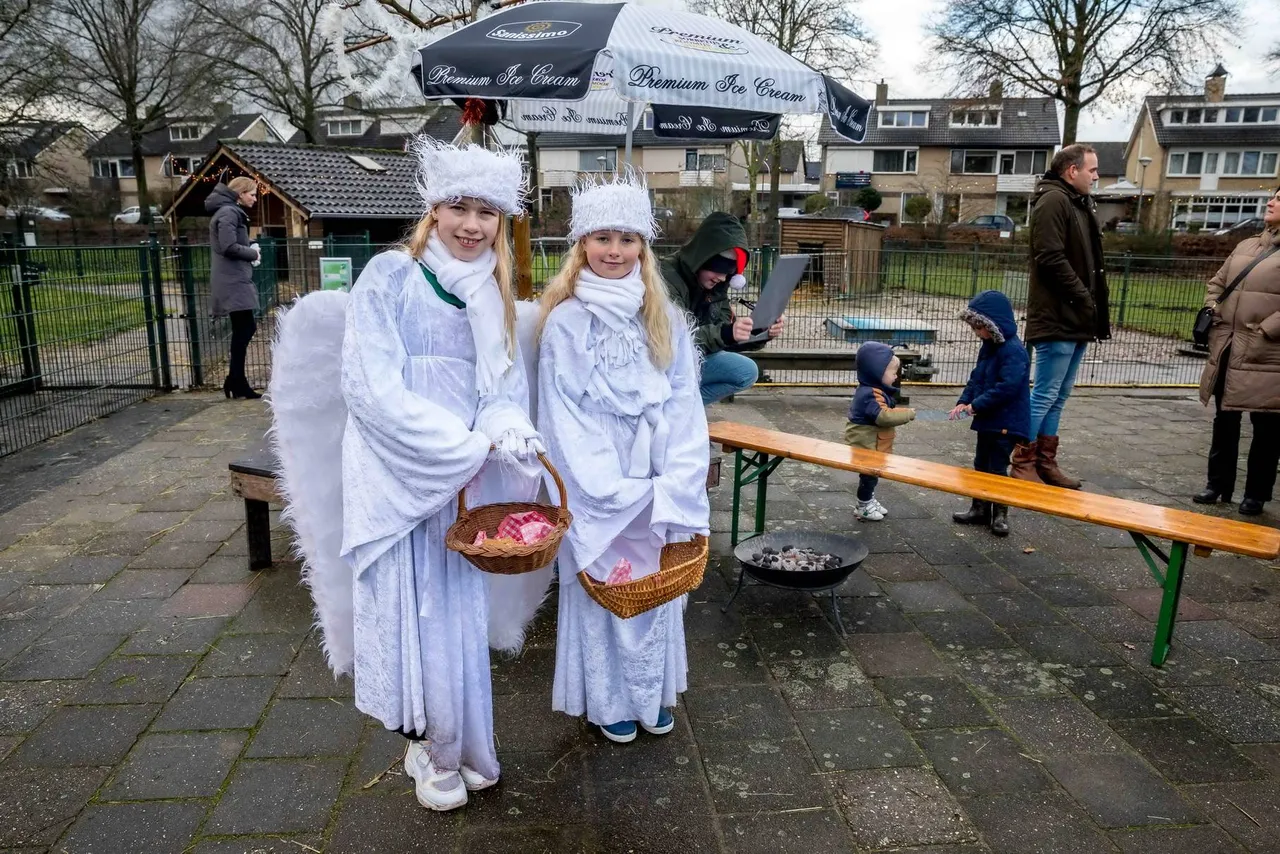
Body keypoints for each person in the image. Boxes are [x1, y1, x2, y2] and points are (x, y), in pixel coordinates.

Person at [322, 139, 544, 812]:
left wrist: (509, 428)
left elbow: (502, 385)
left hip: (463, 483)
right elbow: (371, 388)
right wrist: (459, 446)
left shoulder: (494, 293)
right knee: (414, 611)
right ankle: (427, 741)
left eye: (486, 212)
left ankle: (464, 742)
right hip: (402, 476)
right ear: (433, 210)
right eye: (458, 207)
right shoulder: (390, 277)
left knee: (454, 612)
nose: (471, 225)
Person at [537, 172, 710, 744]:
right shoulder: (566, 321)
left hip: (658, 466)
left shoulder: (664, 317)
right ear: (582, 244)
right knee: (603, 583)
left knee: (656, 585)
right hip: (599, 473)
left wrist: (679, 473)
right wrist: (604, 486)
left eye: (627, 239)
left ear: (644, 247)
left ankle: (650, 692)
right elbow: (562, 412)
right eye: (602, 238)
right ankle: (609, 699)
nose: (615, 251)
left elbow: (684, 399)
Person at [1016, 143, 1111, 487]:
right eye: (1093, 169)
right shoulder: (1055, 200)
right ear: (1073, 171)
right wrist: (1083, 297)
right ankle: (1021, 460)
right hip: (1060, 316)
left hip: (1078, 318)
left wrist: (1088, 305)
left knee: (1059, 395)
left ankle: (1045, 461)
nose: (1097, 176)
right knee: (1044, 394)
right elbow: (1049, 256)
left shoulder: (1078, 203)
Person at [1193, 187, 1280, 517]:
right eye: (1272, 196)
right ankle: (1217, 484)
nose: (1270, 202)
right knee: (1224, 419)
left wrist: (1266, 331)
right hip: (1228, 346)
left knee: (1267, 428)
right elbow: (1218, 281)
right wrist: (1212, 308)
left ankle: (1256, 493)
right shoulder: (1246, 245)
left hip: (1266, 354)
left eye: (1279, 198)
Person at [661, 212, 784, 404]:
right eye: (717, 269)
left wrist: (757, 330)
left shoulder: (716, 286)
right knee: (743, 369)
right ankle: (674, 412)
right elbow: (676, 341)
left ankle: (680, 411)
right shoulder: (666, 277)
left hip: (690, 362)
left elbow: (723, 334)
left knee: (745, 372)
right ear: (701, 259)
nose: (722, 278)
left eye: (728, 273)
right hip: (663, 364)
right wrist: (727, 333)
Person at [948, 290, 1031, 537]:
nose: (977, 333)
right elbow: (978, 378)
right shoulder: (989, 346)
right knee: (980, 464)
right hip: (988, 420)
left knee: (997, 467)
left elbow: (1006, 388)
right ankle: (980, 508)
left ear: (993, 325)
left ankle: (1000, 515)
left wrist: (976, 405)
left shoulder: (1013, 351)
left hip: (1006, 421)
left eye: (980, 328)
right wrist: (964, 401)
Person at [845, 341, 916, 521]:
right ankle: (863, 505)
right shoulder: (870, 394)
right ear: (877, 372)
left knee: (872, 476)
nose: (895, 376)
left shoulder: (874, 389)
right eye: (892, 372)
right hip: (867, 445)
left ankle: (868, 500)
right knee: (869, 476)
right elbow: (883, 417)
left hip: (872, 443)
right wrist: (907, 414)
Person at [207, 176, 263, 400]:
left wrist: (249, 248)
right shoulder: (229, 213)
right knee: (246, 328)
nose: (255, 198)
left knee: (244, 328)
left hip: (232, 277)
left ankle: (236, 380)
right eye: (252, 194)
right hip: (232, 280)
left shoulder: (227, 211)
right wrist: (253, 253)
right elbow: (228, 246)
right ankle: (236, 381)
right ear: (240, 193)